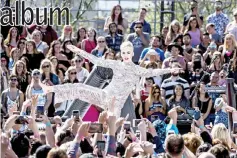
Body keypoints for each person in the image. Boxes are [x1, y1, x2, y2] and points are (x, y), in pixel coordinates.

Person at [41, 42, 177, 119]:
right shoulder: (116, 64)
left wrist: (170, 70)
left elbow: (153, 72)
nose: (125, 55)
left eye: (128, 53)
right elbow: (95, 60)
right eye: (123, 53)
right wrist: (77, 50)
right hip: (104, 95)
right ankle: (50, 89)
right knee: (78, 87)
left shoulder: (137, 70)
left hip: (116, 104)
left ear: (133, 54)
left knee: (112, 126)